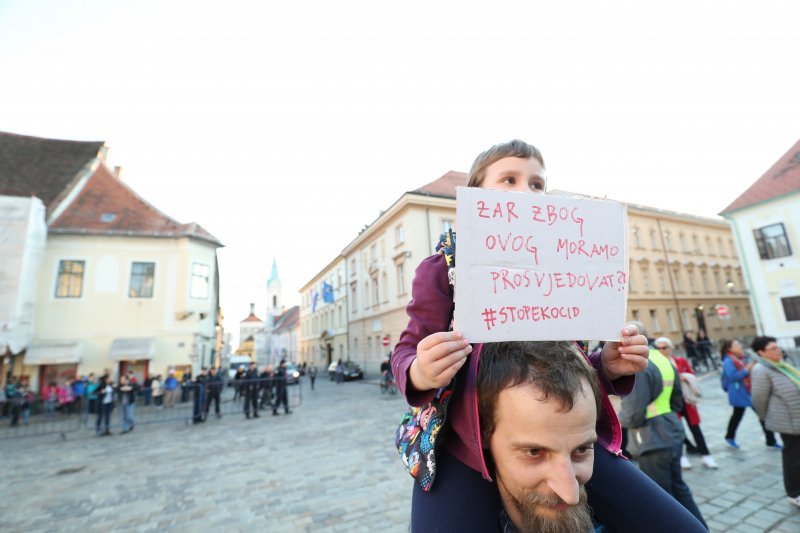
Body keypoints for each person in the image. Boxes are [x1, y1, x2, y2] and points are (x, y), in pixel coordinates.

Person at [393, 140, 705, 532]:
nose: (526, 191)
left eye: (537, 184)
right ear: (476, 194)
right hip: (460, 444)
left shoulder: (566, 262)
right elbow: (405, 351)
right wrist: (421, 370)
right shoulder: (443, 266)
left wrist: (606, 366)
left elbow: (565, 363)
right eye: (509, 179)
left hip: (561, 440)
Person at [620, 338, 708, 528]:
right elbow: (677, 399)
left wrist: (621, 422)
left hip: (651, 436)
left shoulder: (639, 363)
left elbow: (633, 411)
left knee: (660, 498)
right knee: (679, 488)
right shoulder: (661, 358)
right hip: (671, 427)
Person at [654, 337, 719, 470]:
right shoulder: (656, 364)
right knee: (678, 431)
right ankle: (682, 457)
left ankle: (706, 456)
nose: (661, 350)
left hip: (687, 400)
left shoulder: (680, 361)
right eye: (658, 348)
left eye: (664, 347)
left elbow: (692, 374)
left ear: (671, 348)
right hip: (669, 402)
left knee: (696, 429)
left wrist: (685, 376)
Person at [750, 336, 800, 508]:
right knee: (792, 458)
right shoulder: (761, 370)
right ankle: (794, 493)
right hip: (788, 422)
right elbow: (758, 399)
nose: (778, 350)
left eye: (777, 347)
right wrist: (766, 418)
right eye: (772, 348)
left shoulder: (782, 366)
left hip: (797, 417)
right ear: (761, 352)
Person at [721, 339, 781, 449]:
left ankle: (770, 440)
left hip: (749, 390)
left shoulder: (743, 357)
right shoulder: (728, 361)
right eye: (736, 344)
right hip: (739, 393)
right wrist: (747, 368)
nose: (739, 346)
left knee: (759, 415)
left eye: (739, 344)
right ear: (729, 348)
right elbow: (733, 377)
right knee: (742, 415)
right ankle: (730, 437)